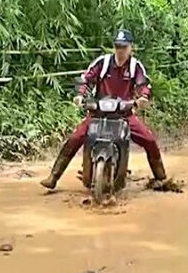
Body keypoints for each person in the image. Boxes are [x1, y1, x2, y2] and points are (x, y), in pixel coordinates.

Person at [40, 29, 168, 190]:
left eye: (124, 47)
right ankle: (54, 176)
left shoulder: (136, 66)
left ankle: (161, 177)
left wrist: (143, 98)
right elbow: (85, 78)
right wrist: (80, 95)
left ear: (131, 48)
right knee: (75, 138)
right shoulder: (103, 63)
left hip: (124, 114)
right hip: (98, 113)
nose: (120, 51)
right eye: (118, 46)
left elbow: (144, 85)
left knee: (149, 140)